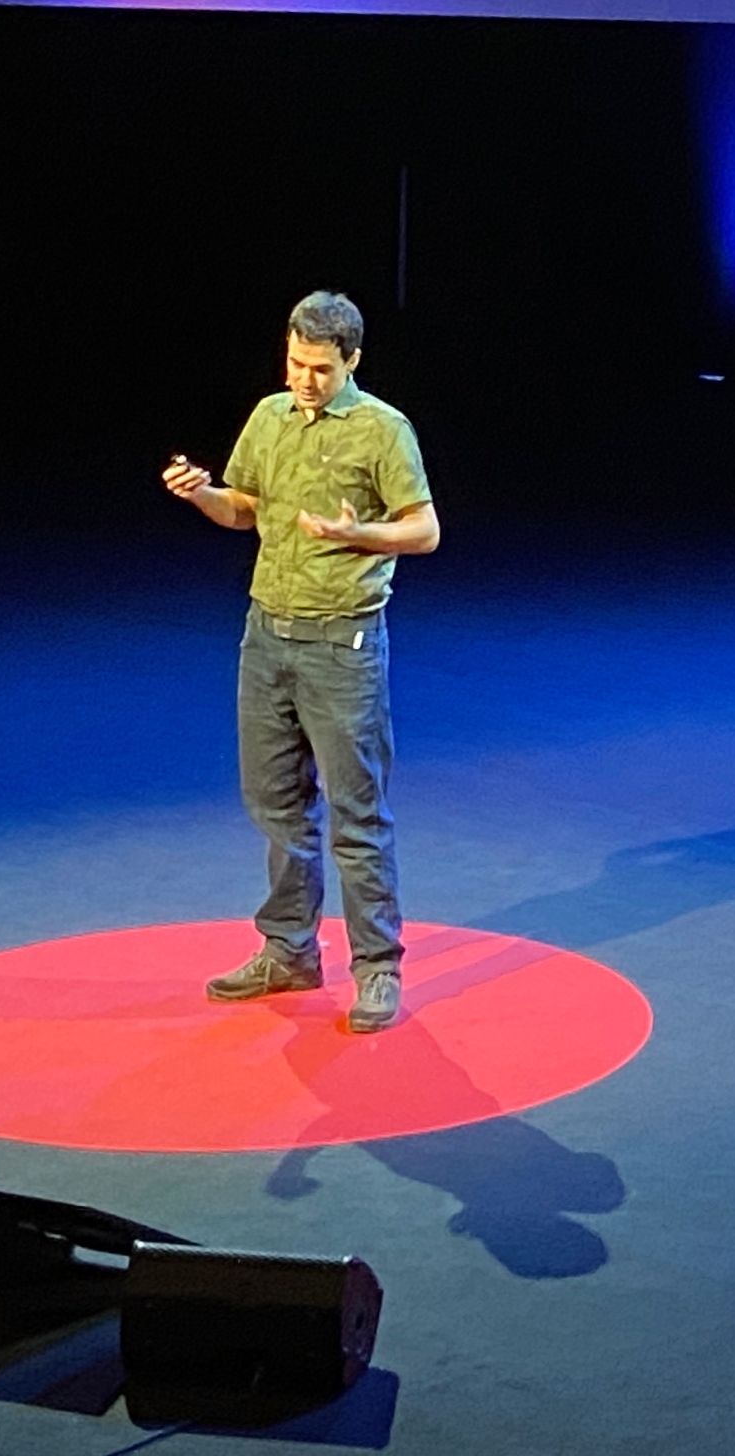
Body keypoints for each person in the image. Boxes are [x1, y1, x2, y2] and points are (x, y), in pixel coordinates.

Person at [161, 292, 439, 1034]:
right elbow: (242, 509)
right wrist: (202, 496)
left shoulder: (383, 429)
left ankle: (376, 967)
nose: (304, 379)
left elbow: (425, 530)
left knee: (356, 812)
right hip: (267, 636)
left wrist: (360, 536)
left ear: (351, 360)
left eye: (319, 367)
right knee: (275, 804)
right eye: (294, 363)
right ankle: (288, 950)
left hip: (341, 643)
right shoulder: (269, 416)